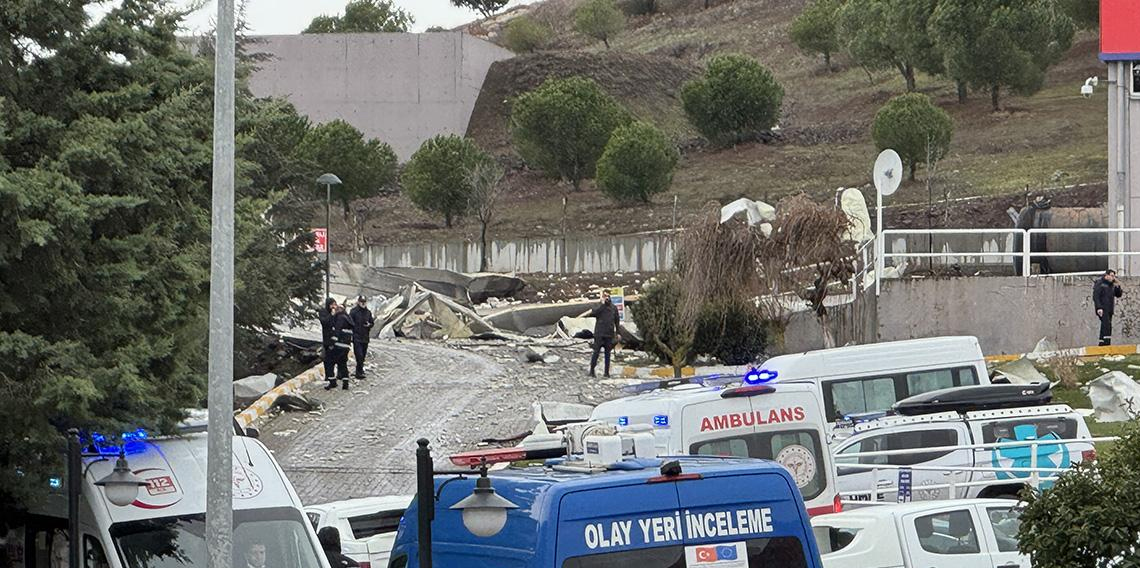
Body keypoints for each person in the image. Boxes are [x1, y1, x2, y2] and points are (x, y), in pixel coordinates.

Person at [588, 290, 620, 378]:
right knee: (596, 353)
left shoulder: (614, 308)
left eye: (608, 296)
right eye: (605, 296)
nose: (607, 298)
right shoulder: (599, 306)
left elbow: (617, 321)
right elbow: (593, 313)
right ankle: (592, 371)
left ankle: (606, 372)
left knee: (608, 354)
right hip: (599, 334)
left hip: (609, 334)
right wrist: (602, 305)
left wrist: (618, 332)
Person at [1094, 269, 1124, 346]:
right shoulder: (1100, 283)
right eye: (1111, 276)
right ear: (1106, 275)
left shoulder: (1112, 285)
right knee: (1106, 325)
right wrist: (1099, 307)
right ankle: (1104, 344)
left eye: (1114, 276)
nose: (1113, 278)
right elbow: (1096, 296)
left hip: (1110, 308)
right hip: (1103, 308)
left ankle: (1105, 343)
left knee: (1108, 326)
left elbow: (1118, 295)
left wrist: (1118, 286)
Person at [349, 296, 375, 379]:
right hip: (356, 336)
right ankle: (358, 372)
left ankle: (360, 370)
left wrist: (369, 325)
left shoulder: (368, 312)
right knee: (359, 355)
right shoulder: (354, 312)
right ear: (358, 302)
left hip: (365, 337)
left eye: (364, 301)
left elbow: (372, 322)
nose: (363, 303)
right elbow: (349, 322)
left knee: (363, 356)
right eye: (361, 301)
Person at [331, 303, 354, 390]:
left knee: (338, 362)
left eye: (337, 309)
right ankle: (345, 381)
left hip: (339, 344)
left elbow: (337, 330)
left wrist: (333, 341)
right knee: (343, 363)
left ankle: (339, 380)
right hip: (346, 345)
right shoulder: (348, 318)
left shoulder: (340, 318)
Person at [319, 298, 339, 389]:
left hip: (336, 339)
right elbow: (325, 322)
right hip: (327, 339)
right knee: (327, 359)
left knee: (336, 359)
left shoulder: (336, 312)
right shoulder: (324, 312)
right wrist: (331, 315)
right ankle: (329, 376)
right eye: (332, 305)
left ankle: (336, 376)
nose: (333, 307)